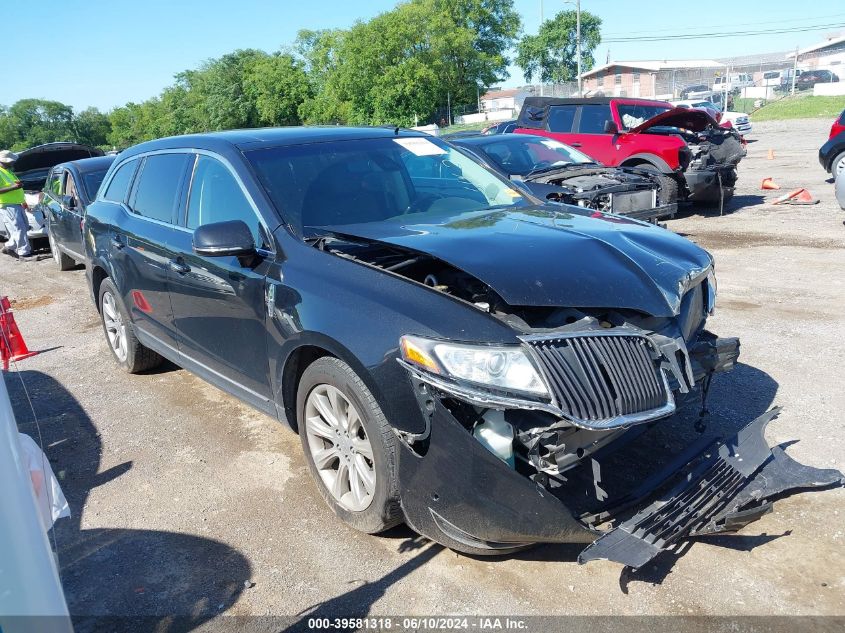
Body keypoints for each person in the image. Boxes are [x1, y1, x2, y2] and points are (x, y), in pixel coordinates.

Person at [0, 150, 31, 258]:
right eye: (11, 161)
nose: (13, 162)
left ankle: (9, 246)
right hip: (7, 204)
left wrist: (23, 201)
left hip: (17, 204)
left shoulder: (8, 171)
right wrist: (13, 187)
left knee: (24, 227)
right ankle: (24, 253)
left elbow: (16, 187)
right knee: (19, 228)